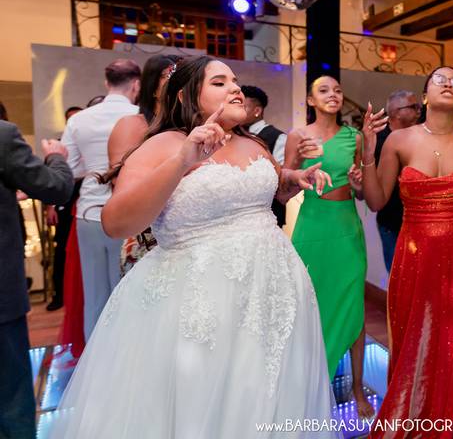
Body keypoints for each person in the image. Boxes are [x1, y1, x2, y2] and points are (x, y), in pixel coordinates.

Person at [49, 56, 338, 438]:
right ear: (186, 95)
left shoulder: (251, 144)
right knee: (203, 403)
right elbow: (116, 223)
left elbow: (263, 196)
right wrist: (184, 158)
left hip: (273, 296)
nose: (235, 88)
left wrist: (292, 178)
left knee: (265, 396)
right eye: (219, 82)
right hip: (199, 301)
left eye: (234, 81)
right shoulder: (161, 145)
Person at [360, 66, 453, 437]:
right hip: (415, 255)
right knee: (416, 337)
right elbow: (376, 201)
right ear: (425, 96)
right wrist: (368, 155)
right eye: (440, 79)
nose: (449, 84)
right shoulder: (398, 140)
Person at [284, 75, 372, 418]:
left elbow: (364, 193)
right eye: (323, 90)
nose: (333, 95)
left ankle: (357, 387)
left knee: (353, 308)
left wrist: (358, 184)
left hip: (346, 228)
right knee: (309, 306)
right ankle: (309, 381)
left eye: (337, 90)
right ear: (310, 100)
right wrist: (297, 172)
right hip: (312, 227)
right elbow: (283, 191)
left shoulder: (355, 137)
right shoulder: (298, 137)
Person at [0, 118, 73, 439]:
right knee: (11, 397)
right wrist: (56, 156)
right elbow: (55, 187)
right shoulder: (3, 135)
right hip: (1, 298)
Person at [61, 58, 141, 340]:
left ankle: (93, 360)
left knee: (94, 294)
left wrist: (93, 166)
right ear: (136, 85)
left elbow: (69, 170)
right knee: (129, 291)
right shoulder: (140, 117)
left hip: (89, 212)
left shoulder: (78, 120)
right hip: (129, 213)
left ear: (107, 83)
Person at [107, 54, 179, 275]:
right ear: (153, 87)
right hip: (147, 236)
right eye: (170, 75)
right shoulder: (132, 125)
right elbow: (121, 185)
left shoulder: (190, 129)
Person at [373, 90, 421, 272]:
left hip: (419, 222)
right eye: (413, 107)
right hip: (391, 222)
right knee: (397, 274)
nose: (419, 111)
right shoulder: (378, 141)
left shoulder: (420, 137)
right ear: (396, 112)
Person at [45, 105, 83, 311]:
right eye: (70, 118)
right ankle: (59, 294)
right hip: (65, 204)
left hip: (83, 202)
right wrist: (51, 207)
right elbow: (51, 178)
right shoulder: (60, 147)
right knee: (61, 250)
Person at [243, 85, 288, 227]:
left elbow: (281, 176)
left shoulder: (278, 137)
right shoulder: (234, 136)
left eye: (243, 107)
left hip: (270, 214)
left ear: (257, 111)